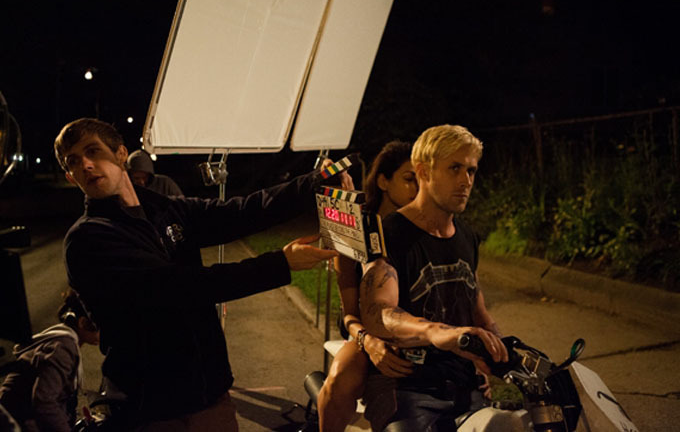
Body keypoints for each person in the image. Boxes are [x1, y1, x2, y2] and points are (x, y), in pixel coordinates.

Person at [53, 117, 341, 431]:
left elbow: (243, 212)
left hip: (208, 396)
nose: (86, 165)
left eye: (93, 151)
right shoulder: (87, 239)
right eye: (73, 162)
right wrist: (281, 263)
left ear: (121, 153)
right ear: (70, 176)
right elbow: (181, 288)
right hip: (149, 408)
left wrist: (317, 182)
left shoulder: (165, 209)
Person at [359, 125, 508, 432]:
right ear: (423, 172)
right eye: (455, 168)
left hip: (463, 383)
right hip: (406, 385)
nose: (466, 180)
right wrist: (436, 332)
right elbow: (377, 312)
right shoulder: (388, 234)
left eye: (471, 170)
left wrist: (500, 349)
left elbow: (477, 309)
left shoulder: (467, 236)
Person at [316, 140, 418, 432]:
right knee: (339, 379)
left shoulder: (423, 228)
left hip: (413, 332)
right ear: (383, 181)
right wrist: (369, 342)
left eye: (422, 181)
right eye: (409, 179)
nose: (417, 189)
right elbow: (349, 314)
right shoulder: (355, 230)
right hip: (366, 333)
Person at [0, 289, 100, 432]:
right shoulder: (62, 348)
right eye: (101, 327)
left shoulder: (61, 339)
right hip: (18, 424)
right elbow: (44, 402)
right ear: (83, 323)